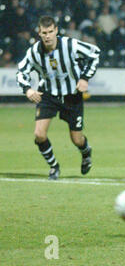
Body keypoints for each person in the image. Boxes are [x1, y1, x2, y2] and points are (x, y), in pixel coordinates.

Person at [16, 16, 100, 180]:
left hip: (72, 96)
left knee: (76, 139)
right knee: (39, 134)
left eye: (50, 32)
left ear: (56, 31)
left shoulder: (71, 45)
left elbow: (95, 53)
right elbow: (21, 71)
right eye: (44, 33)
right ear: (39, 33)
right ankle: (54, 167)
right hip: (47, 95)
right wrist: (27, 90)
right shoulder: (34, 52)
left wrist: (84, 78)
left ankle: (86, 151)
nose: (47, 36)